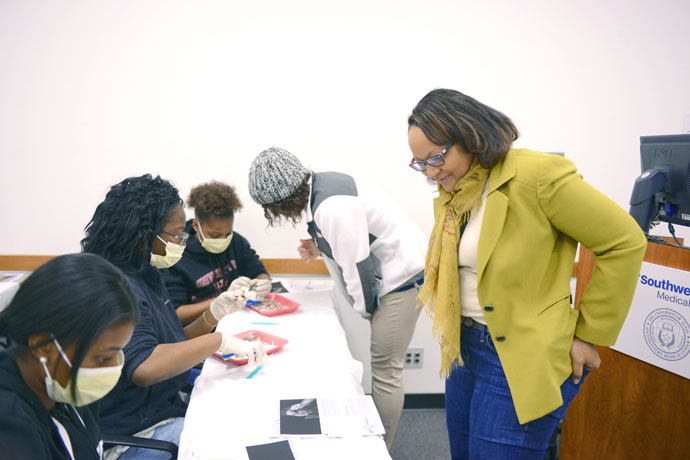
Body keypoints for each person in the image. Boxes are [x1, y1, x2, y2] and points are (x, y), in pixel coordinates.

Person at [407, 88, 648, 460]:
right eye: (420, 163)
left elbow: (625, 241)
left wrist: (588, 335)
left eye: (437, 157)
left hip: (519, 356)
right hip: (464, 347)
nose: (432, 171)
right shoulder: (455, 190)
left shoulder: (536, 176)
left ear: (470, 135)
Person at [248, 147, 428, 449]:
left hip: (402, 281)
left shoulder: (332, 206)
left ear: (280, 203)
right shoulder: (323, 186)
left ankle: (378, 450)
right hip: (396, 273)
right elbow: (357, 236)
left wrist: (366, 310)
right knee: (383, 367)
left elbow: (357, 267)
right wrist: (320, 245)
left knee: (385, 371)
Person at [81, 174, 267, 459]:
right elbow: (145, 367)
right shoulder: (118, 286)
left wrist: (212, 314)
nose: (182, 241)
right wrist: (218, 341)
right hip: (133, 434)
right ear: (145, 232)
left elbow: (172, 341)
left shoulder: (147, 274)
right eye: (177, 233)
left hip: (161, 410)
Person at [0, 253, 139, 459]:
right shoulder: (12, 429)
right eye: (103, 358)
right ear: (41, 346)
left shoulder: (64, 386)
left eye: (119, 351)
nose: (114, 367)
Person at [166, 180, 271, 325]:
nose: (223, 240)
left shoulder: (235, 242)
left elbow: (258, 271)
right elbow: (176, 313)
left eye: (228, 233)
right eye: (215, 236)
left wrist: (262, 283)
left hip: (233, 322)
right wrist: (221, 301)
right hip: (196, 331)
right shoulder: (175, 255)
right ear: (197, 226)